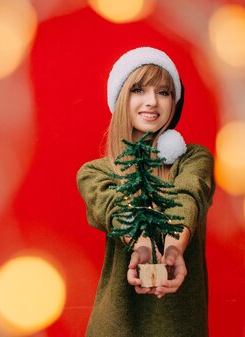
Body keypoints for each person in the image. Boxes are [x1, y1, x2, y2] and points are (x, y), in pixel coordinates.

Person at [77, 47, 215, 337]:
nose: (152, 101)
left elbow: (186, 199)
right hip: (116, 327)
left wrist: (173, 250)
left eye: (164, 92)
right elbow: (117, 210)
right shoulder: (96, 173)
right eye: (139, 89)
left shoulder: (192, 159)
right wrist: (141, 248)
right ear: (121, 97)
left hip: (181, 328)